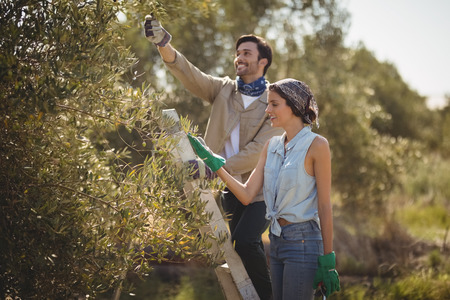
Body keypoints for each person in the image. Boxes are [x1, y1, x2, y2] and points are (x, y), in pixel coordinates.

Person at [144, 15, 283, 299]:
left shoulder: (274, 100)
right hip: (228, 188)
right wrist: (164, 45)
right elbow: (189, 74)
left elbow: (258, 151)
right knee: (238, 244)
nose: (239, 57)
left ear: (263, 62)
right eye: (238, 53)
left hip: (263, 187)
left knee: (246, 242)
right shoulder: (223, 89)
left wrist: (213, 168)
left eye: (247, 53)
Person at [187, 78, 340, 300]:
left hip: (304, 241)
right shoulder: (272, 146)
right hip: (277, 240)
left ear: (294, 106)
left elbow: (325, 205)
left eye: (274, 104)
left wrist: (328, 259)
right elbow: (247, 195)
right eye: (268, 104)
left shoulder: (317, 145)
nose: (268, 110)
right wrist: (216, 165)